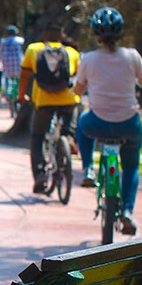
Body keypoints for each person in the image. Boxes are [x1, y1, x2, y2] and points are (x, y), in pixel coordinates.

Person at [73, 7, 142, 235]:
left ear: (95, 34)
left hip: (97, 122)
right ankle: (128, 211)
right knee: (130, 166)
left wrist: (79, 89)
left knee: (82, 122)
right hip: (128, 124)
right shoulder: (132, 56)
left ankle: (88, 168)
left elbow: (77, 90)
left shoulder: (89, 59)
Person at [18, 27, 81, 194]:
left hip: (43, 101)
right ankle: (67, 141)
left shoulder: (34, 49)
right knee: (68, 128)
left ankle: (39, 174)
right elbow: (78, 77)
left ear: (44, 36)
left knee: (38, 136)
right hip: (68, 100)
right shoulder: (71, 53)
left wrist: (21, 95)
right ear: (61, 37)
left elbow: (24, 75)